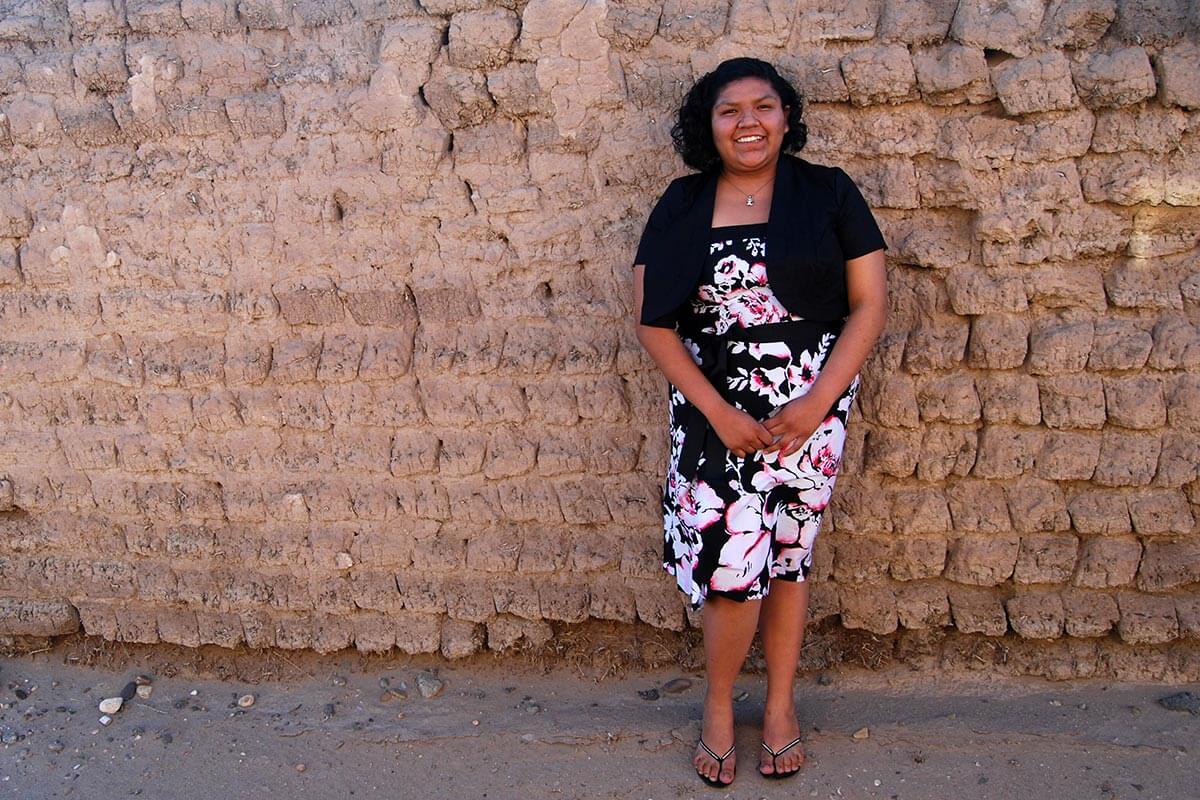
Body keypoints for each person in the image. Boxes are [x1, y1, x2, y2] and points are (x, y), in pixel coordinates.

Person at [631, 57, 888, 787]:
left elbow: (869, 305)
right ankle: (718, 708)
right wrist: (716, 410)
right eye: (729, 110)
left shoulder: (829, 192)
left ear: (785, 117)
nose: (748, 122)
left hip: (809, 413)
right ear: (706, 126)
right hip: (715, 416)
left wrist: (815, 403)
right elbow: (653, 323)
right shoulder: (682, 204)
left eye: (764, 106)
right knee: (728, 570)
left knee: (787, 558)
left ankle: (778, 707)